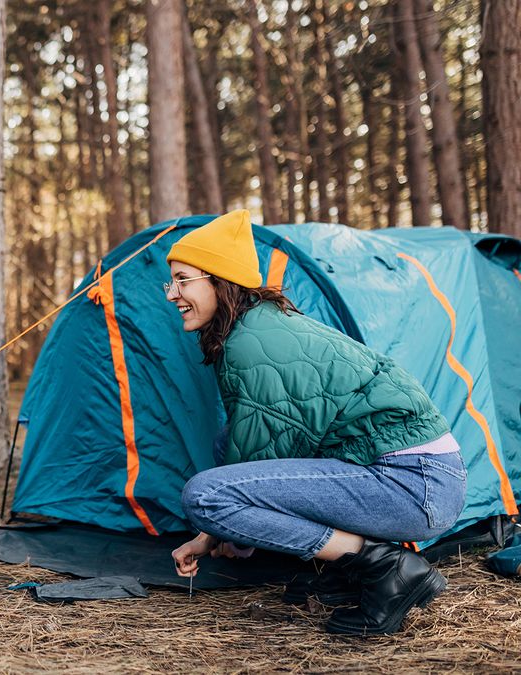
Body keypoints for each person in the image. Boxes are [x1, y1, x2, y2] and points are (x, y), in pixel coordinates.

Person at [165, 209, 466, 636]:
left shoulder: (253, 344)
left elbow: (260, 461)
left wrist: (209, 535)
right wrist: (225, 538)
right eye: (171, 281)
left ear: (219, 279)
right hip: (413, 474)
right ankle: (335, 572)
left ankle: (386, 568)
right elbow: (258, 446)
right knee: (226, 442)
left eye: (183, 280)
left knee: (205, 498)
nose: (172, 294)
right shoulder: (256, 325)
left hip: (415, 485)